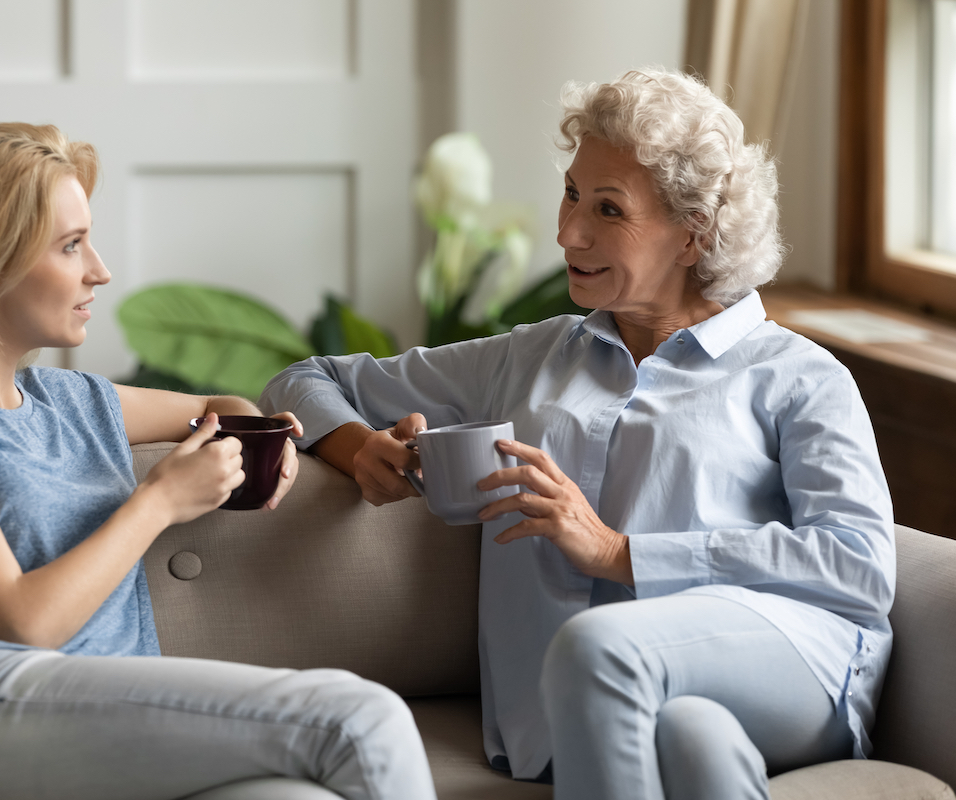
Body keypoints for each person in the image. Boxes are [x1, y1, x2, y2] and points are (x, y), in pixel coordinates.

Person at [260, 69, 895, 800]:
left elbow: (860, 567)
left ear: (693, 235)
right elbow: (305, 378)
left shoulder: (797, 375)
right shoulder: (527, 358)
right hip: (589, 713)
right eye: (570, 193)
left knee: (600, 652)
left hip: (796, 660)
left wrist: (619, 553)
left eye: (607, 209)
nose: (567, 233)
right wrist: (357, 447)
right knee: (693, 739)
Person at [0, 123, 437, 800]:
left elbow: (216, 403)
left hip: (89, 715)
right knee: (361, 721)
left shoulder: (69, 399)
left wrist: (261, 434)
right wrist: (160, 501)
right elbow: (21, 622)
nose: (99, 270)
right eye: (71, 245)